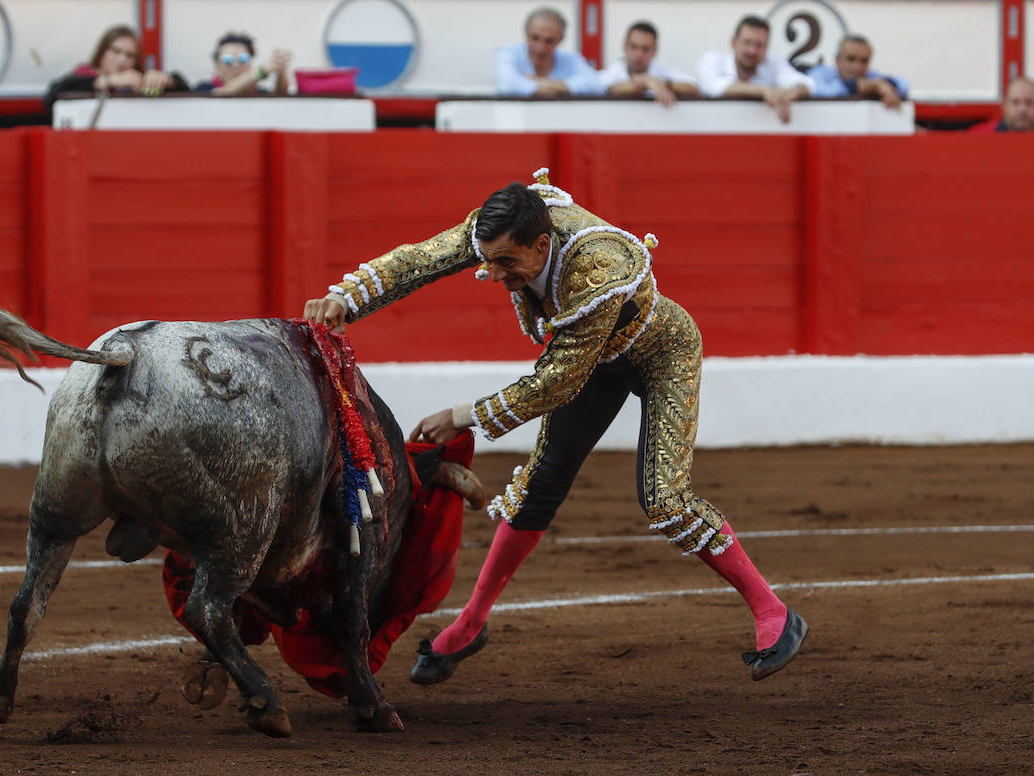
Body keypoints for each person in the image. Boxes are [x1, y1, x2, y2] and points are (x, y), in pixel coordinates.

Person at [302, 168, 808, 686]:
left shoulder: (599, 269)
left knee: (663, 498)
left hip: (661, 354)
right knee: (536, 489)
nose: (495, 275)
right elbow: (421, 259)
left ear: (543, 245)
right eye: (488, 261)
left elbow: (557, 382)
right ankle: (472, 621)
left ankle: (773, 613)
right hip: (590, 363)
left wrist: (461, 415)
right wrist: (347, 298)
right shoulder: (500, 231)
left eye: (507, 263)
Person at [42, 24, 187, 116]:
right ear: (102, 52)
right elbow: (51, 97)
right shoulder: (83, 78)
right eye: (116, 51)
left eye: (129, 55)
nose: (122, 59)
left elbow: (188, 93)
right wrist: (107, 81)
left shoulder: (138, 84)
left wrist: (167, 81)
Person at [696, 15, 814, 123]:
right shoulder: (712, 60)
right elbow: (713, 86)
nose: (752, 50)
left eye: (759, 45)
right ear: (733, 43)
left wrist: (790, 94)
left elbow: (807, 83)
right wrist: (765, 92)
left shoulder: (773, 63)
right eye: (747, 42)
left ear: (766, 47)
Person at [495, 7, 604, 98]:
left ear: (560, 40)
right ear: (526, 34)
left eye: (549, 41)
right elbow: (507, 85)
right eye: (534, 38)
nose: (540, 48)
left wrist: (539, 81)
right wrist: (562, 87)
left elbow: (596, 85)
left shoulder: (570, 58)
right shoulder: (508, 53)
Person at [599, 21, 699, 107]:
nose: (639, 54)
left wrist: (663, 83)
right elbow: (605, 89)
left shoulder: (662, 71)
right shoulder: (613, 72)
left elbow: (694, 87)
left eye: (645, 49)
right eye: (634, 47)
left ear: (655, 50)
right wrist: (645, 83)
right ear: (624, 46)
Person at [807, 35, 909, 109]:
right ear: (837, 60)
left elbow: (903, 84)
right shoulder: (821, 73)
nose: (857, 67)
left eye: (864, 61)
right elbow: (817, 90)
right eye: (851, 59)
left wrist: (885, 85)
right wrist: (861, 86)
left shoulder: (871, 76)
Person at [193, 32, 290, 96]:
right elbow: (222, 93)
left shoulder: (260, 92)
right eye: (228, 60)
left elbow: (279, 100)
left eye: (243, 59)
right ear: (217, 66)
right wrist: (262, 70)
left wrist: (281, 71)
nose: (236, 65)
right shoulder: (203, 88)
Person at [969, 76, 1034, 132]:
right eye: (1015, 102)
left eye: (1029, 102)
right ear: (1005, 105)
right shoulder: (980, 135)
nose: (1022, 108)